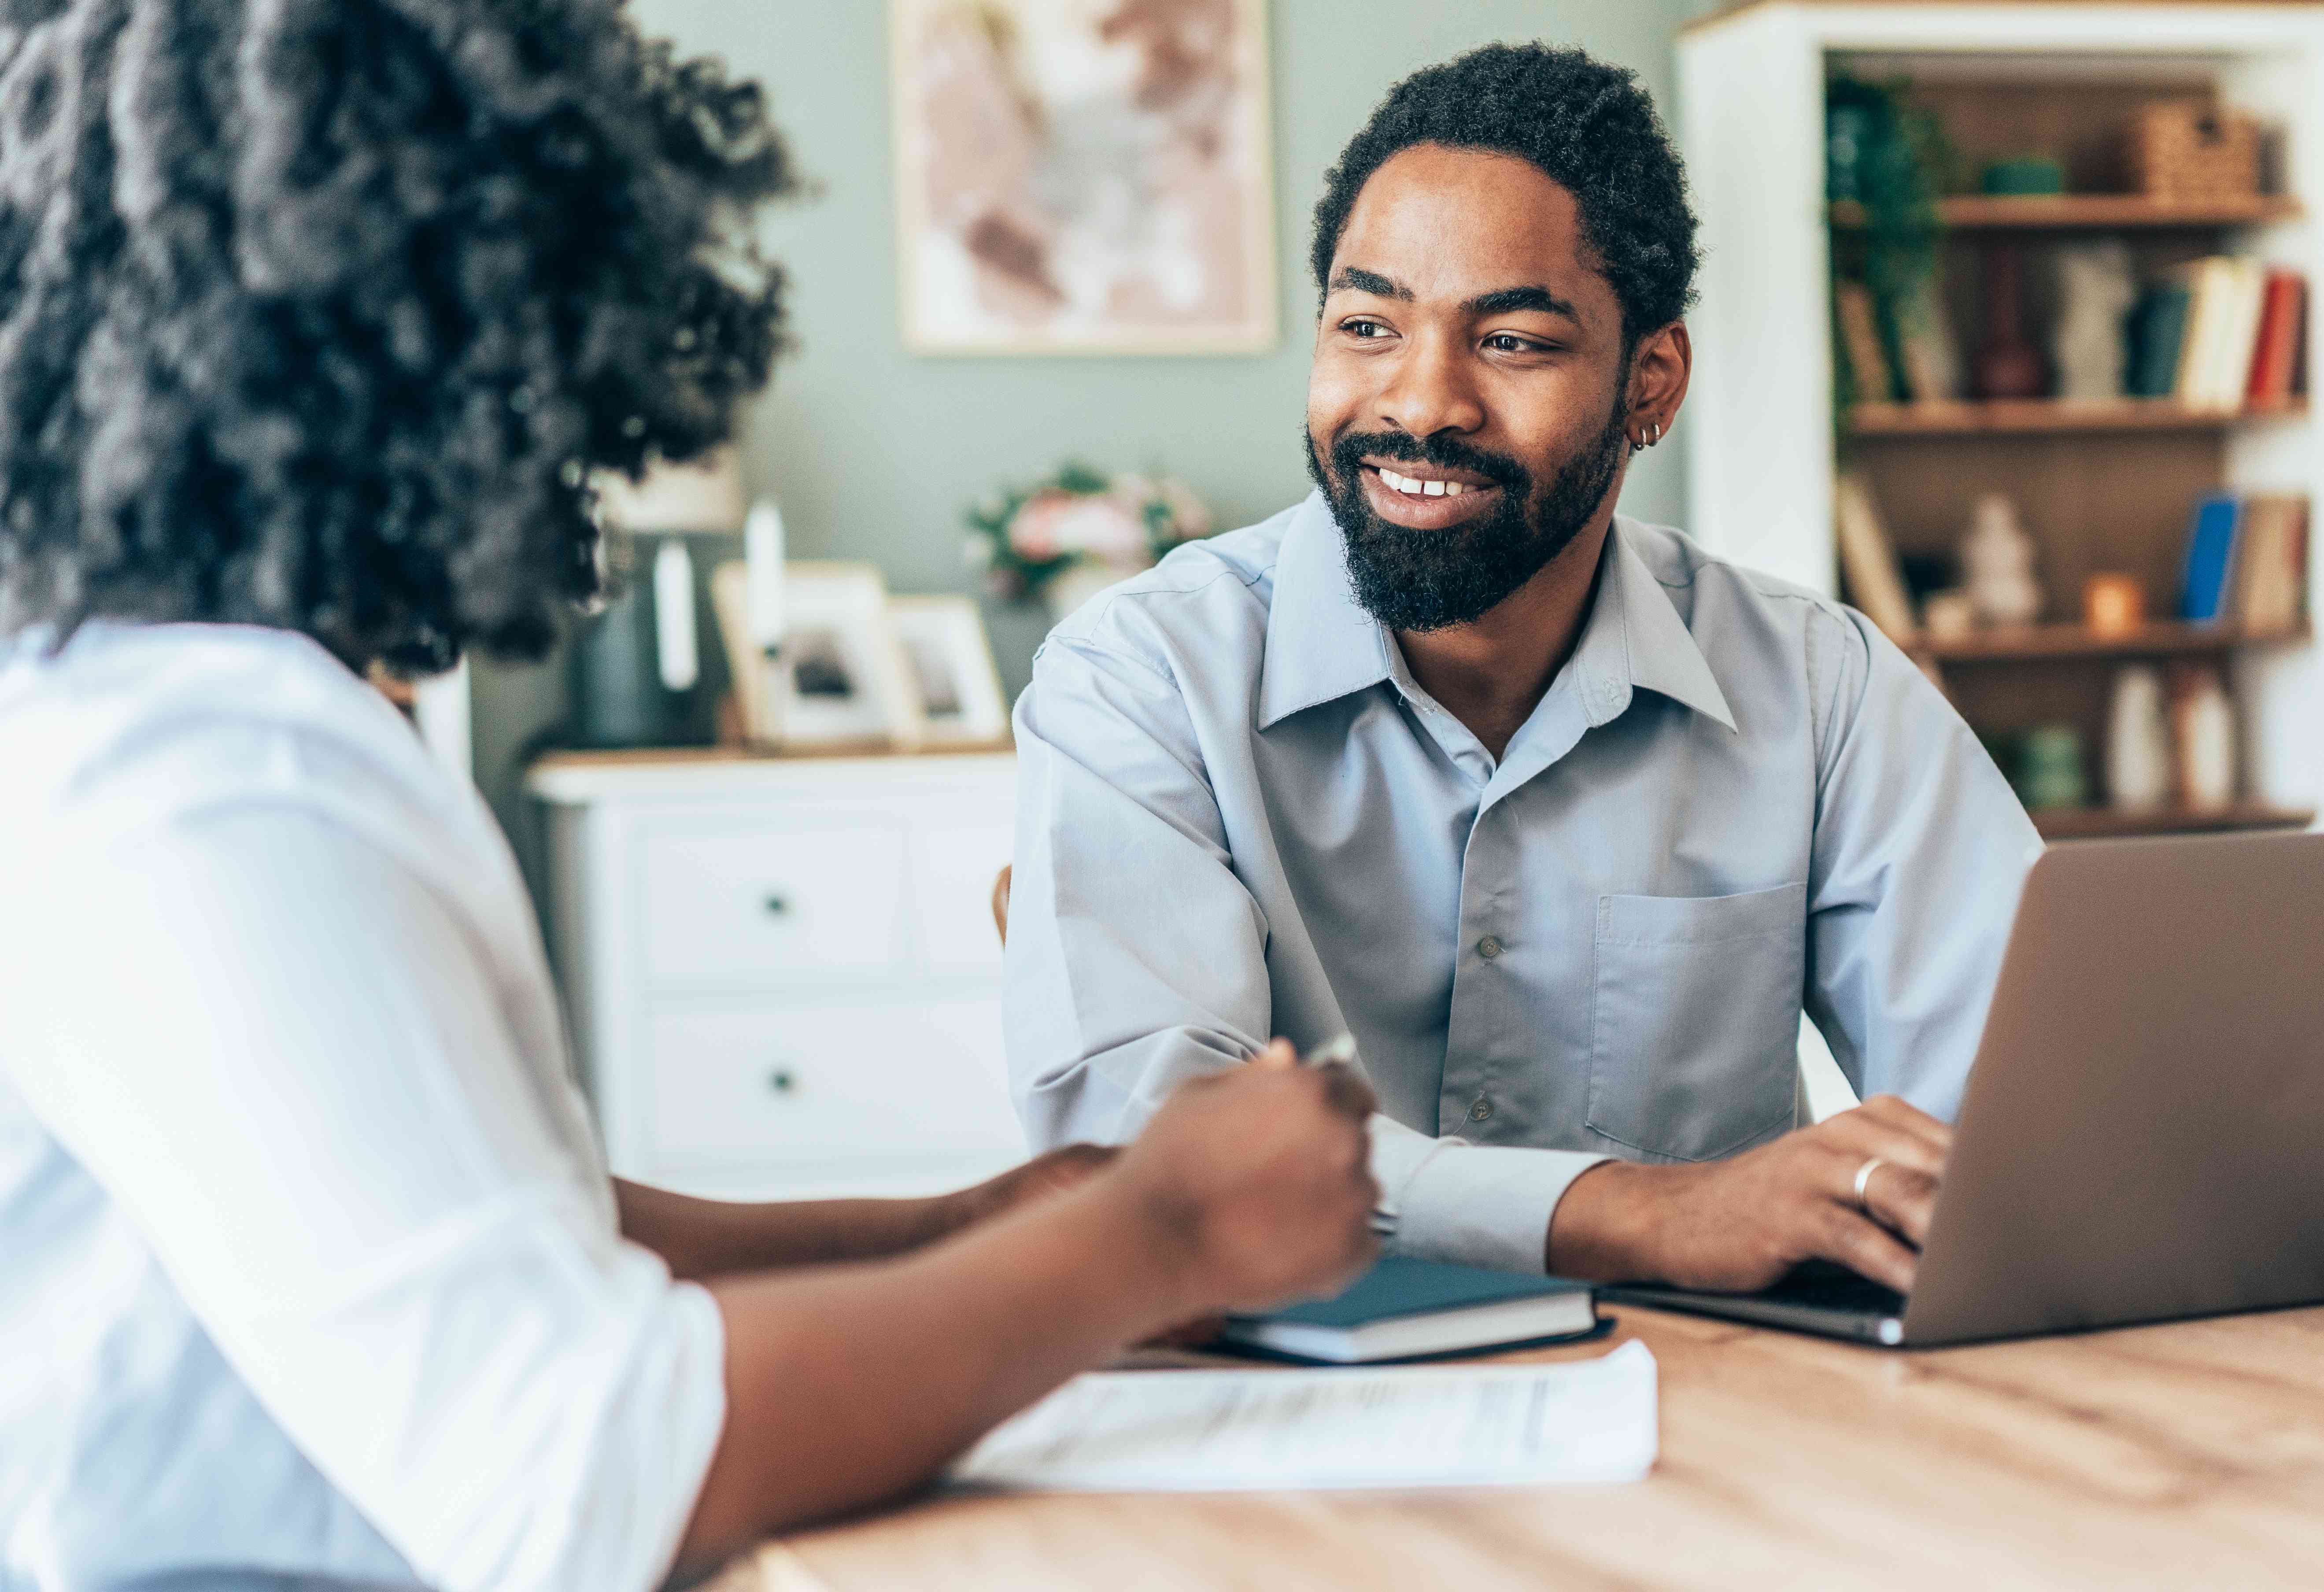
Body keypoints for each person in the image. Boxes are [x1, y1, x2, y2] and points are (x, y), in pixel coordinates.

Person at [0, 4, 1378, 1589]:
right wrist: (1160, 1239)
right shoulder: (202, 775)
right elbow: (580, 1476)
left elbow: (493, 1215)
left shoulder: (161, 708)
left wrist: (970, 1225)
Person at [1004, 44, 2041, 1298]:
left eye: (1512, 341)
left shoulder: (1818, 690)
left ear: (1649, 385)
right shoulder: (1145, 677)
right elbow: (1149, 1160)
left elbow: (2020, 1118)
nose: (1422, 402)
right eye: (1369, 325)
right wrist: (1639, 1213)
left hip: (1725, 1406)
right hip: (1301, 1412)